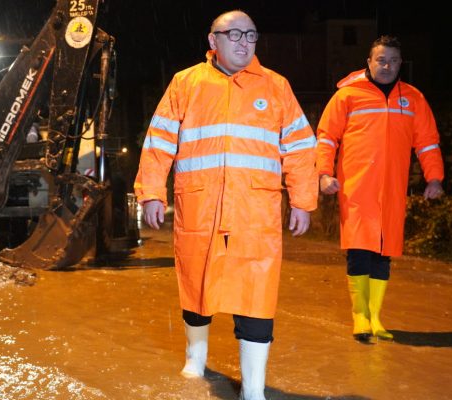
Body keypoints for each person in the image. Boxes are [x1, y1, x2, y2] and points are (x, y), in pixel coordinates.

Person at [134, 10, 317, 400]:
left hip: (256, 212)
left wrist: (302, 200)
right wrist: (152, 192)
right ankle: (195, 358)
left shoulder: (276, 86)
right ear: (212, 40)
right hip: (200, 207)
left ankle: (253, 389)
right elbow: (159, 141)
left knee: (257, 295)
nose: (243, 41)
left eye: (250, 35)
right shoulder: (186, 83)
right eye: (233, 34)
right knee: (198, 285)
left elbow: (300, 147)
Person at [316, 35, 445, 343]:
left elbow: (427, 142)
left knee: (384, 252)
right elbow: (326, 138)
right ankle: (359, 315)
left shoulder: (413, 99)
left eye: (394, 61)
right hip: (356, 188)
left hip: (393, 189)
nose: (387, 66)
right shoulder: (348, 95)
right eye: (381, 60)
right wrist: (323, 174)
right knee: (360, 248)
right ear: (369, 62)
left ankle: (375, 317)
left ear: (401, 63)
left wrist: (435, 178)